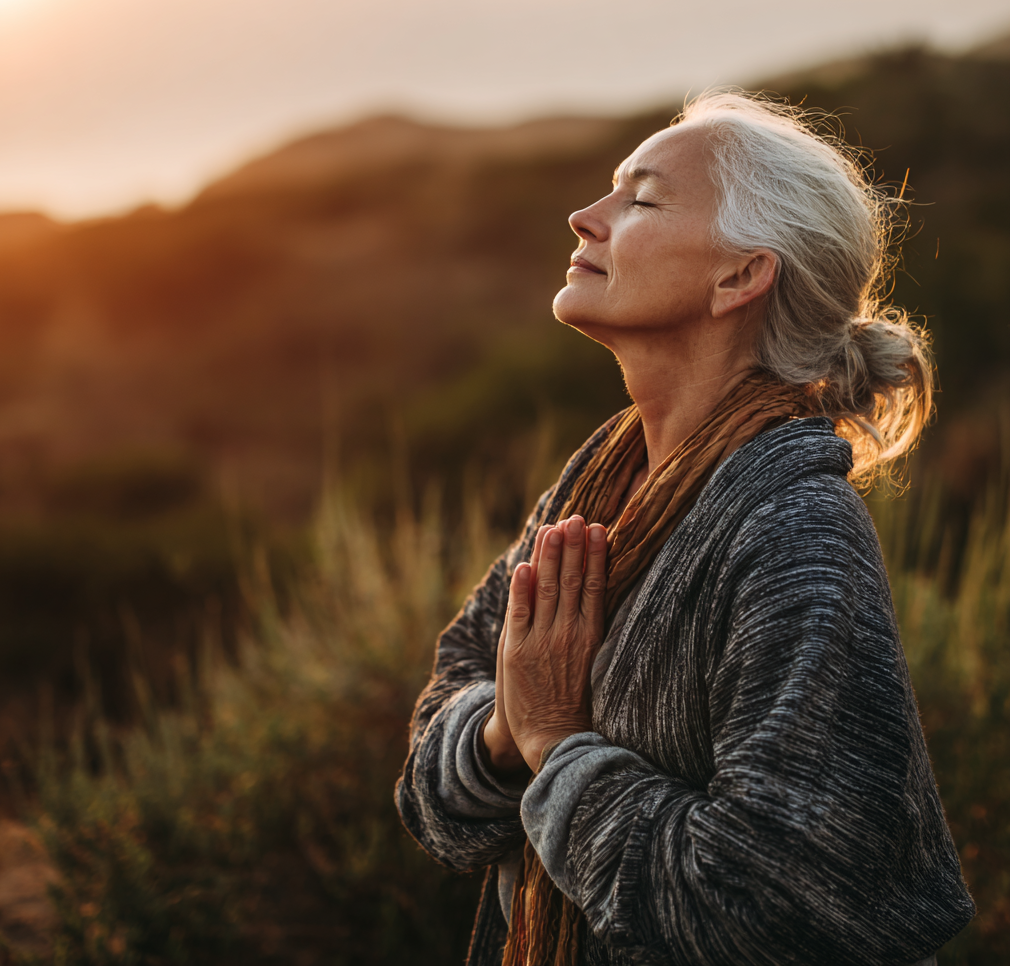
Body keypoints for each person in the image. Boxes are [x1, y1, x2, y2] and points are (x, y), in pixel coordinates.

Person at [394, 90, 974, 966]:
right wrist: (502, 730)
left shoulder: (792, 534)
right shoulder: (600, 485)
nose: (585, 218)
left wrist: (554, 740)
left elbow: (767, 911)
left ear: (740, 276)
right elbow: (431, 783)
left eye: (642, 200)